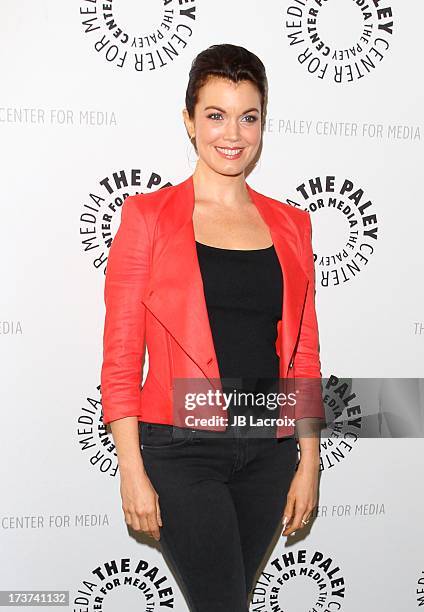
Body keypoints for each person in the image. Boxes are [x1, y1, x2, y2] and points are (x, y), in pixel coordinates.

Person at [100, 43, 325, 612]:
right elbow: (123, 358)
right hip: (181, 449)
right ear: (189, 121)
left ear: (263, 124)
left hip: (269, 454)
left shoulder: (293, 225)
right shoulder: (148, 218)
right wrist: (131, 469)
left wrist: (309, 461)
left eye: (249, 116)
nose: (233, 133)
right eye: (215, 115)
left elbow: (303, 354)